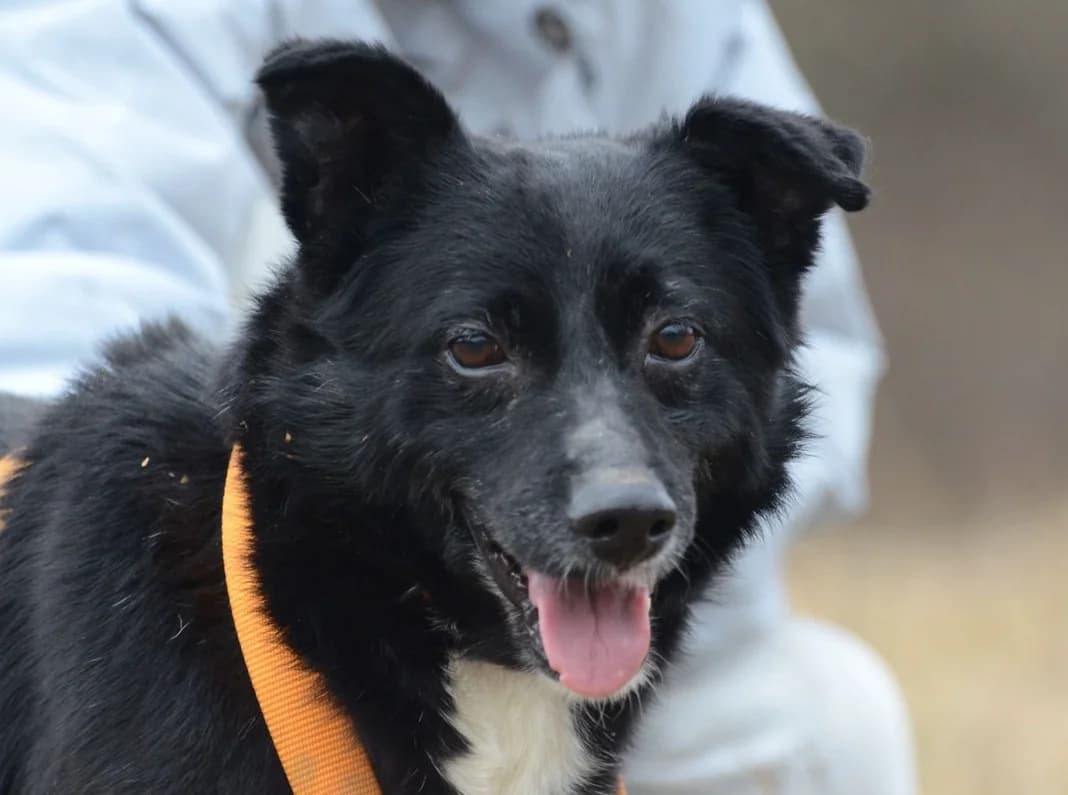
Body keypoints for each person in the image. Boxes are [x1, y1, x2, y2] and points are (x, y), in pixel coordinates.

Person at [0, 1, 915, 792]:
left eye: (671, 342)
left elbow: (821, 348)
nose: (615, 480)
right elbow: (72, 221)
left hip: (646, 650)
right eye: (480, 350)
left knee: (838, 724)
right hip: (259, 572)